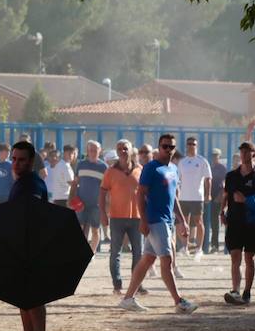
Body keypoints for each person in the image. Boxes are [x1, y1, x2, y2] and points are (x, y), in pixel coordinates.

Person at [118, 133, 198, 313]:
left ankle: (128, 298)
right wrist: (143, 220)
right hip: (155, 220)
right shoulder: (151, 168)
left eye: (171, 147)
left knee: (147, 259)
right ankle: (179, 302)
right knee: (167, 260)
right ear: (159, 147)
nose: (168, 150)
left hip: (167, 220)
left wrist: (182, 220)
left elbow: (174, 197)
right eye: (165, 146)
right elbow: (140, 194)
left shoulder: (174, 169)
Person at [7, 141, 54, 331]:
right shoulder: (21, 182)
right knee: (22, 294)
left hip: (33, 244)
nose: (16, 163)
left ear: (31, 161)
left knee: (34, 294)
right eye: (14, 159)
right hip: (19, 244)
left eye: (21, 160)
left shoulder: (33, 183)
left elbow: (31, 212)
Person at [221, 141, 255, 305]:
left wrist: (246, 200)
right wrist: (221, 211)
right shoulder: (231, 176)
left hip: (251, 223)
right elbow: (226, 195)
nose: (244, 154)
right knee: (235, 257)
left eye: (248, 152)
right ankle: (235, 290)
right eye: (242, 152)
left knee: (249, 259)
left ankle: (247, 292)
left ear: (253, 154)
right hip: (234, 221)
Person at [100, 140, 143, 295]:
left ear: (131, 151)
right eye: (119, 149)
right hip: (117, 217)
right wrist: (103, 214)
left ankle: (136, 284)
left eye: (125, 148)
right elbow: (102, 192)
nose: (122, 151)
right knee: (115, 252)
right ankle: (117, 285)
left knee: (139, 252)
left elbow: (145, 193)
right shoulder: (110, 171)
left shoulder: (139, 170)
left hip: (137, 217)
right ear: (117, 152)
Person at [175, 136, 212, 261]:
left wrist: (208, 194)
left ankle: (199, 248)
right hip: (183, 197)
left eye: (193, 144)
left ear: (196, 146)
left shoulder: (202, 161)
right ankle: (184, 247)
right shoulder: (182, 162)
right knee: (183, 222)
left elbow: (208, 179)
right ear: (186, 146)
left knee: (198, 222)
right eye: (189, 144)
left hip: (197, 197)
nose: (191, 146)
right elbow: (177, 179)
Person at [71, 140, 107, 253]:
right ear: (87, 151)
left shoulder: (104, 167)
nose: (93, 152)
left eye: (95, 150)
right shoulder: (81, 164)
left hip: (96, 204)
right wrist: (71, 198)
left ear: (99, 151)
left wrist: (106, 204)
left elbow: (106, 187)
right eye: (91, 150)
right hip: (81, 202)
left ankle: (92, 252)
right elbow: (75, 182)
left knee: (95, 230)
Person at [207, 149, 228, 254]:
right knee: (212, 222)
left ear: (219, 156)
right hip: (209, 197)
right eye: (213, 155)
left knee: (221, 221)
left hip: (218, 198)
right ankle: (213, 245)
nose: (214, 157)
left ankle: (225, 246)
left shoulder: (222, 168)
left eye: (216, 155)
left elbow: (225, 182)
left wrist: (220, 196)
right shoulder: (209, 167)